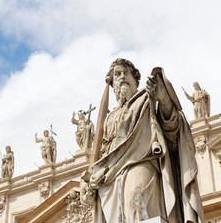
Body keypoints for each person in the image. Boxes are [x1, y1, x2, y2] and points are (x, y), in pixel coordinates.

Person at [82, 58, 203, 223]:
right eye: (117, 74)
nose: (122, 76)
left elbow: (173, 130)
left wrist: (164, 100)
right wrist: (90, 179)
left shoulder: (148, 99)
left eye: (126, 73)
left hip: (141, 161)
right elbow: (102, 152)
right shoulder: (110, 117)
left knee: (137, 202)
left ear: (135, 79)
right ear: (112, 84)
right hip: (111, 173)